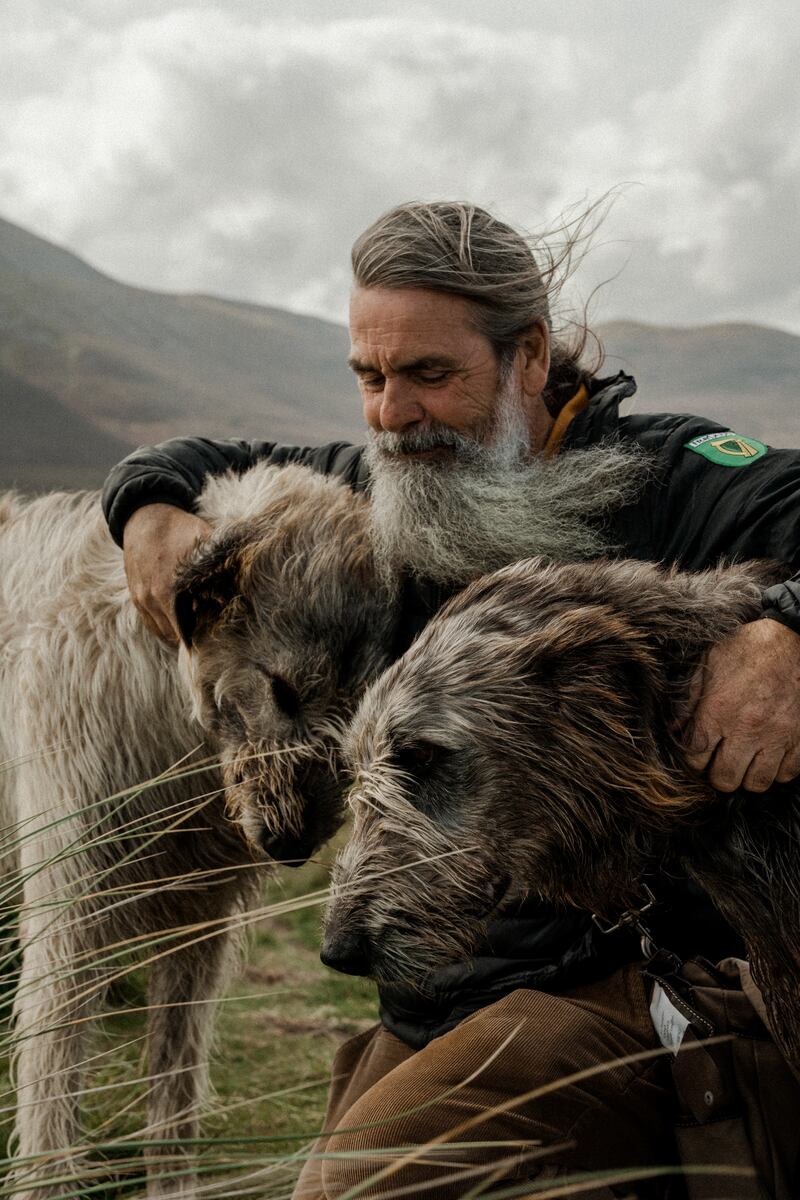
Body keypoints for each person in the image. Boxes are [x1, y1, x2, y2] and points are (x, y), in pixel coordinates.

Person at [103, 202, 800, 1198]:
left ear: (527, 359)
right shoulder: (390, 481)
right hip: (442, 986)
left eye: (429, 375)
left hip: (642, 971)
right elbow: (189, 460)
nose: (391, 414)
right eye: (368, 377)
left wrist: (783, 627)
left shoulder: (678, 481)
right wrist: (148, 509)